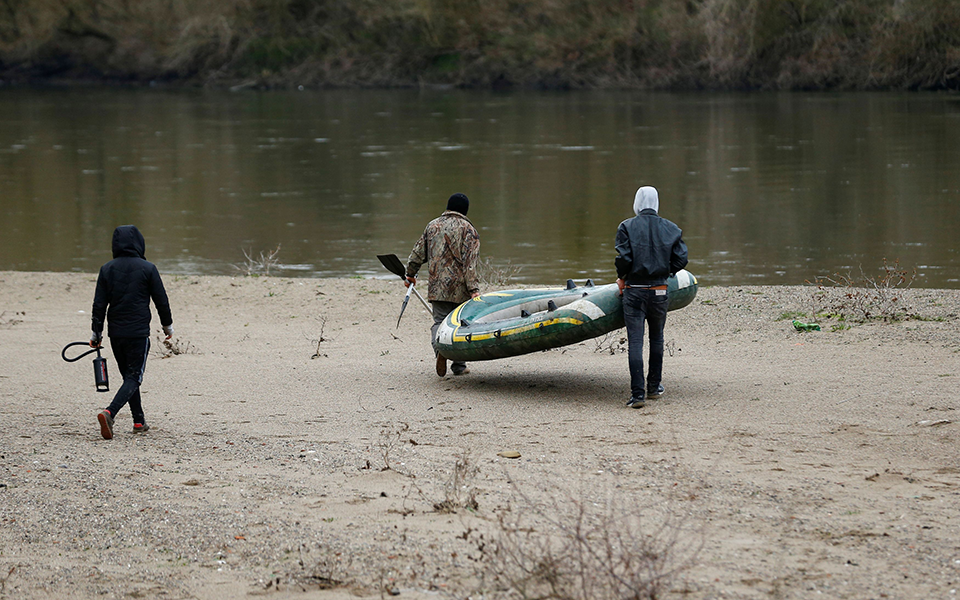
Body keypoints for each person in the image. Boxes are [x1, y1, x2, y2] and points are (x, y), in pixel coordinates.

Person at [90, 225, 174, 439]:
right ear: (139, 243)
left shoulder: (107, 269)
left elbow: (99, 305)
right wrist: (167, 326)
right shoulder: (148, 268)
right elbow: (161, 300)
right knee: (134, 377)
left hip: (115, 333)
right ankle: (110, 412)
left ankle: (139, 421)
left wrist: (96, 334)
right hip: (137, 333)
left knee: (129, 376)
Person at [614, 186, 688, 409]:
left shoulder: (626, 226)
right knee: (657, 338)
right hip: (659, 290)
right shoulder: (672, 228)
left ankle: (637, 396)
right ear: (656, 202)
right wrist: (665, 272)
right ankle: (654, 388)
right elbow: (681, 259)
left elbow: (623, 259)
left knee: (635, 341)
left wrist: (622, 277)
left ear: (637, 202)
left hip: (635, 290)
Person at [405, 193, 480, 377]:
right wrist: (474, 290)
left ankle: (440, 351)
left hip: (437, 286)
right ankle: (459, 366)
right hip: (460, 288)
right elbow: (469, 264)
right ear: (465, 210)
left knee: (440, 322)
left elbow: (417, 253)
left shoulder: (432, 226)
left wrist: (410, 273)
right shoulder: (469, 230)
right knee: (461, 325)